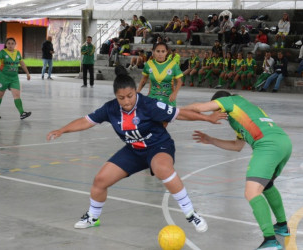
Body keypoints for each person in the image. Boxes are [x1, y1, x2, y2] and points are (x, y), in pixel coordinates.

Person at [46, 66, 227, 233]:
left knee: (162, 168)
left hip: (158, 146)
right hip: (133, 150)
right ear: (116, 96)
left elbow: (179, 113)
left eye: (130, 96)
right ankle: (93, 217)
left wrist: (207, 119)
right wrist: (63, 129)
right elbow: (86, 121)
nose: (126, 101)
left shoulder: (148, 105)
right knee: (100, 180)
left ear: (135, 91)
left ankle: (190, 214)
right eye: (121, 98)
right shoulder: (110, 109)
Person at [183, 90, 292, 250]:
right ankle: (282, 226)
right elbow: (237, 146)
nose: (216, 113)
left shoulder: (230, 101)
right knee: (266, 184)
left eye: (216, 109)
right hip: (283, 143)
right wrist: (211, 140)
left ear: (219, 104)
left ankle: (270, 240)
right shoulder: (241, 112)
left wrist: (171, 112)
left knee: (251, 192)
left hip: (267, 145)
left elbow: (199, 107)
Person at [0, 37, 31, 120]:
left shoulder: (18, 53)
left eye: (12, 43)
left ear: (15, 45)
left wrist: (27, 73)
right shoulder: (2, 52)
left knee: (17, 95)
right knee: (0, 94)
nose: (10, 45)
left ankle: (22, 113)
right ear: (6, 45)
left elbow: (22, 64)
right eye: (8, 43)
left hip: (14, 78)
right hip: (3, 77)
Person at [137, 42, 183, 107]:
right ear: (153, 52)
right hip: (153, 98)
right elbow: (144, 79)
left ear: (166, 52)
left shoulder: (173, 65)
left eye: (163, 51)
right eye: (158, 51)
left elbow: (179, 81)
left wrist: (174, 93)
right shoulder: (149, 64)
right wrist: (137, 92)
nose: (160, 54)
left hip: (168, 99)